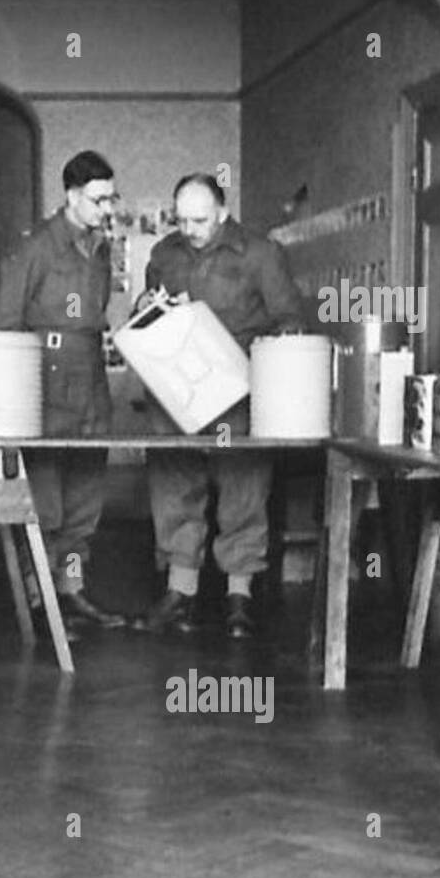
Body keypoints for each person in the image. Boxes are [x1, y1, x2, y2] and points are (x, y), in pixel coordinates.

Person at [135, 173, 308, 639]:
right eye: (182, 219)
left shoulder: (260, 254)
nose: (189, 229)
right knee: (174, 484)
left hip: (237, 391)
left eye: (200, 220)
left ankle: (239, 597)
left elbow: (290, 319)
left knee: (243, 488)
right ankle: (180, 593)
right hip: (177, 390)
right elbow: (146, 312)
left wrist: (266, 368)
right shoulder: (163, 255)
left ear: (223, 212)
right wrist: (148, 304)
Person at [0, 150, 125, 630]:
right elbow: (2, 323)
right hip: (44, 383)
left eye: (111, 198)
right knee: (45, 506)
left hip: (91, 382)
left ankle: (71, 591)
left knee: (84, 503)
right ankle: (39, 598)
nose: (107, 209)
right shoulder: (38, 248)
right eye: (98, 199)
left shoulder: (100, 248)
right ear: (71, 196)